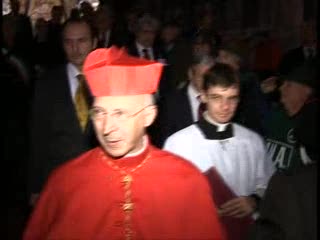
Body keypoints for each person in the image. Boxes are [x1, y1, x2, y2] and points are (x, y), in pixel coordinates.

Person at [23, 46, 225, 240]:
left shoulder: (187, 179)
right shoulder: (65, 180)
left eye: (120, 113)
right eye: (99, 113)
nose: (107, 128)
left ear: (148, 116)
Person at [164, 63, 274, 240]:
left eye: (232, 98)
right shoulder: (178, 143)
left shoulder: (252, 141)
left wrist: (254, 201)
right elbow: (166, 199)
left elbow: (268, 183)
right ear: (203, 97)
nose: (225, 106)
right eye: (217, 97)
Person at [27, 17, 98, 207]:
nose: (75, 48)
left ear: (94, 42)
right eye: (69, 42)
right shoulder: (47, 83)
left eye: (82, 41)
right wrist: (36, 186)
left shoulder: (107, 81)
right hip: (58, 181)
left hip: (99, 180)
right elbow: (38, 136)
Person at [263, 59, 318, 173]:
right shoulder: (275, 117)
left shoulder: (310, 129)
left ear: (308, 90)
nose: (281, 90)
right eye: (282, 84)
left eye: (288, 85)